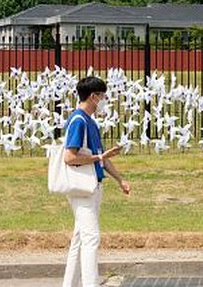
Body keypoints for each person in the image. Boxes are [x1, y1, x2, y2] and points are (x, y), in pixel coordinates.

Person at [62, 76, 131, 287]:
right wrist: (99, 158)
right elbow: (69, 157)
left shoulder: (90, 122)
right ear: (93, 96)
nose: (104, 101)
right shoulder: (79, 121)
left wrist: (120, 179)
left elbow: (101, 156)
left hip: (92, 184)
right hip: (83, 187)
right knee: (92, 238)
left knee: (80, 239)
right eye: (102, 96)